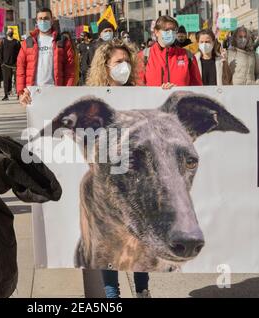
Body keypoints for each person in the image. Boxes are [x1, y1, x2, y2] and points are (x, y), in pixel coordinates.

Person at [86, 38, 149, 298]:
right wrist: (32, 99)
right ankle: (112, 295)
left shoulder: (142, 94)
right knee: (109, 244)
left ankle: (143, 290)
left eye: (126, 61)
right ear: (105, 66)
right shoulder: (93, 101)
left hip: (135, 185)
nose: (123, 66)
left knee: (140, 240)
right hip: (107, 184)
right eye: (117, 62)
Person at [16, 7, 75, 107]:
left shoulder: (63, 41)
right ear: (37, 21)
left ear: (52, 20)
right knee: (37, 123)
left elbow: (70, 69)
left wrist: (66, 91)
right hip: (33, 93)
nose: (43, 21)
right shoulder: (28, 42)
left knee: (53, 122)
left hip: (55, 93)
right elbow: (20, 68)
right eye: (40, 18)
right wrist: (21, 92)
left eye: (46, 18)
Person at [144, 15, 202, 88]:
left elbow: (197, 87)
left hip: (181, 99)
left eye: (173, 30)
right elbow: (137, 90)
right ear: (156, 32)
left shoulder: (188, 56)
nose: (171, 33)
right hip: (153, 99)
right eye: (167, 30)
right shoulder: (144, 56)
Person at [0, 27, 21, 100]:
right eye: (9, 31)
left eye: (11, 31)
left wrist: (19, 63)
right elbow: (1, 53)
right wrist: (1, 63)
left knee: (17, 80)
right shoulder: (3, 41)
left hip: (15, 65)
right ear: (6, 33)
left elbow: (20, 53)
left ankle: (19, 94)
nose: (10, 32)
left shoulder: (17, 42)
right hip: (5, 65)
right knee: (6, 80)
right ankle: (6, 95)